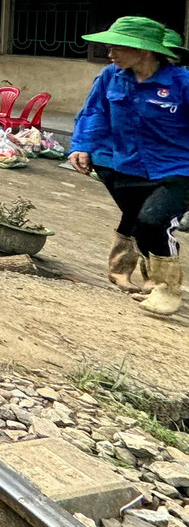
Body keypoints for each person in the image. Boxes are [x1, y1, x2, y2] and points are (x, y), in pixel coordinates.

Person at [69, 17, 188, 318]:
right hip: (126, 165)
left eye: (116, 48)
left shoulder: (181, 83)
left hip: (177, 168)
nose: (110, 54)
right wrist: (81, 145)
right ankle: (144, 279)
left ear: (144, 50)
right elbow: (94, 112)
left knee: (152, 221)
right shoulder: (111, 77)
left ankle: (168, 289)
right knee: (137, 224)